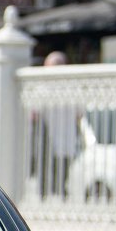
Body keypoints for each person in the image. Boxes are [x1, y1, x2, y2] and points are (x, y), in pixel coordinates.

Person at [34, 50, 79, 198]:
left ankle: (46, 195)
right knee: (61, 172)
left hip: (50, 139)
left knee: (47, 170)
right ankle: (59, 193)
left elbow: (33, 114)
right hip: (65, 139)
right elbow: (79, 115)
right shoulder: (73, 88)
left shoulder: (42, 89)